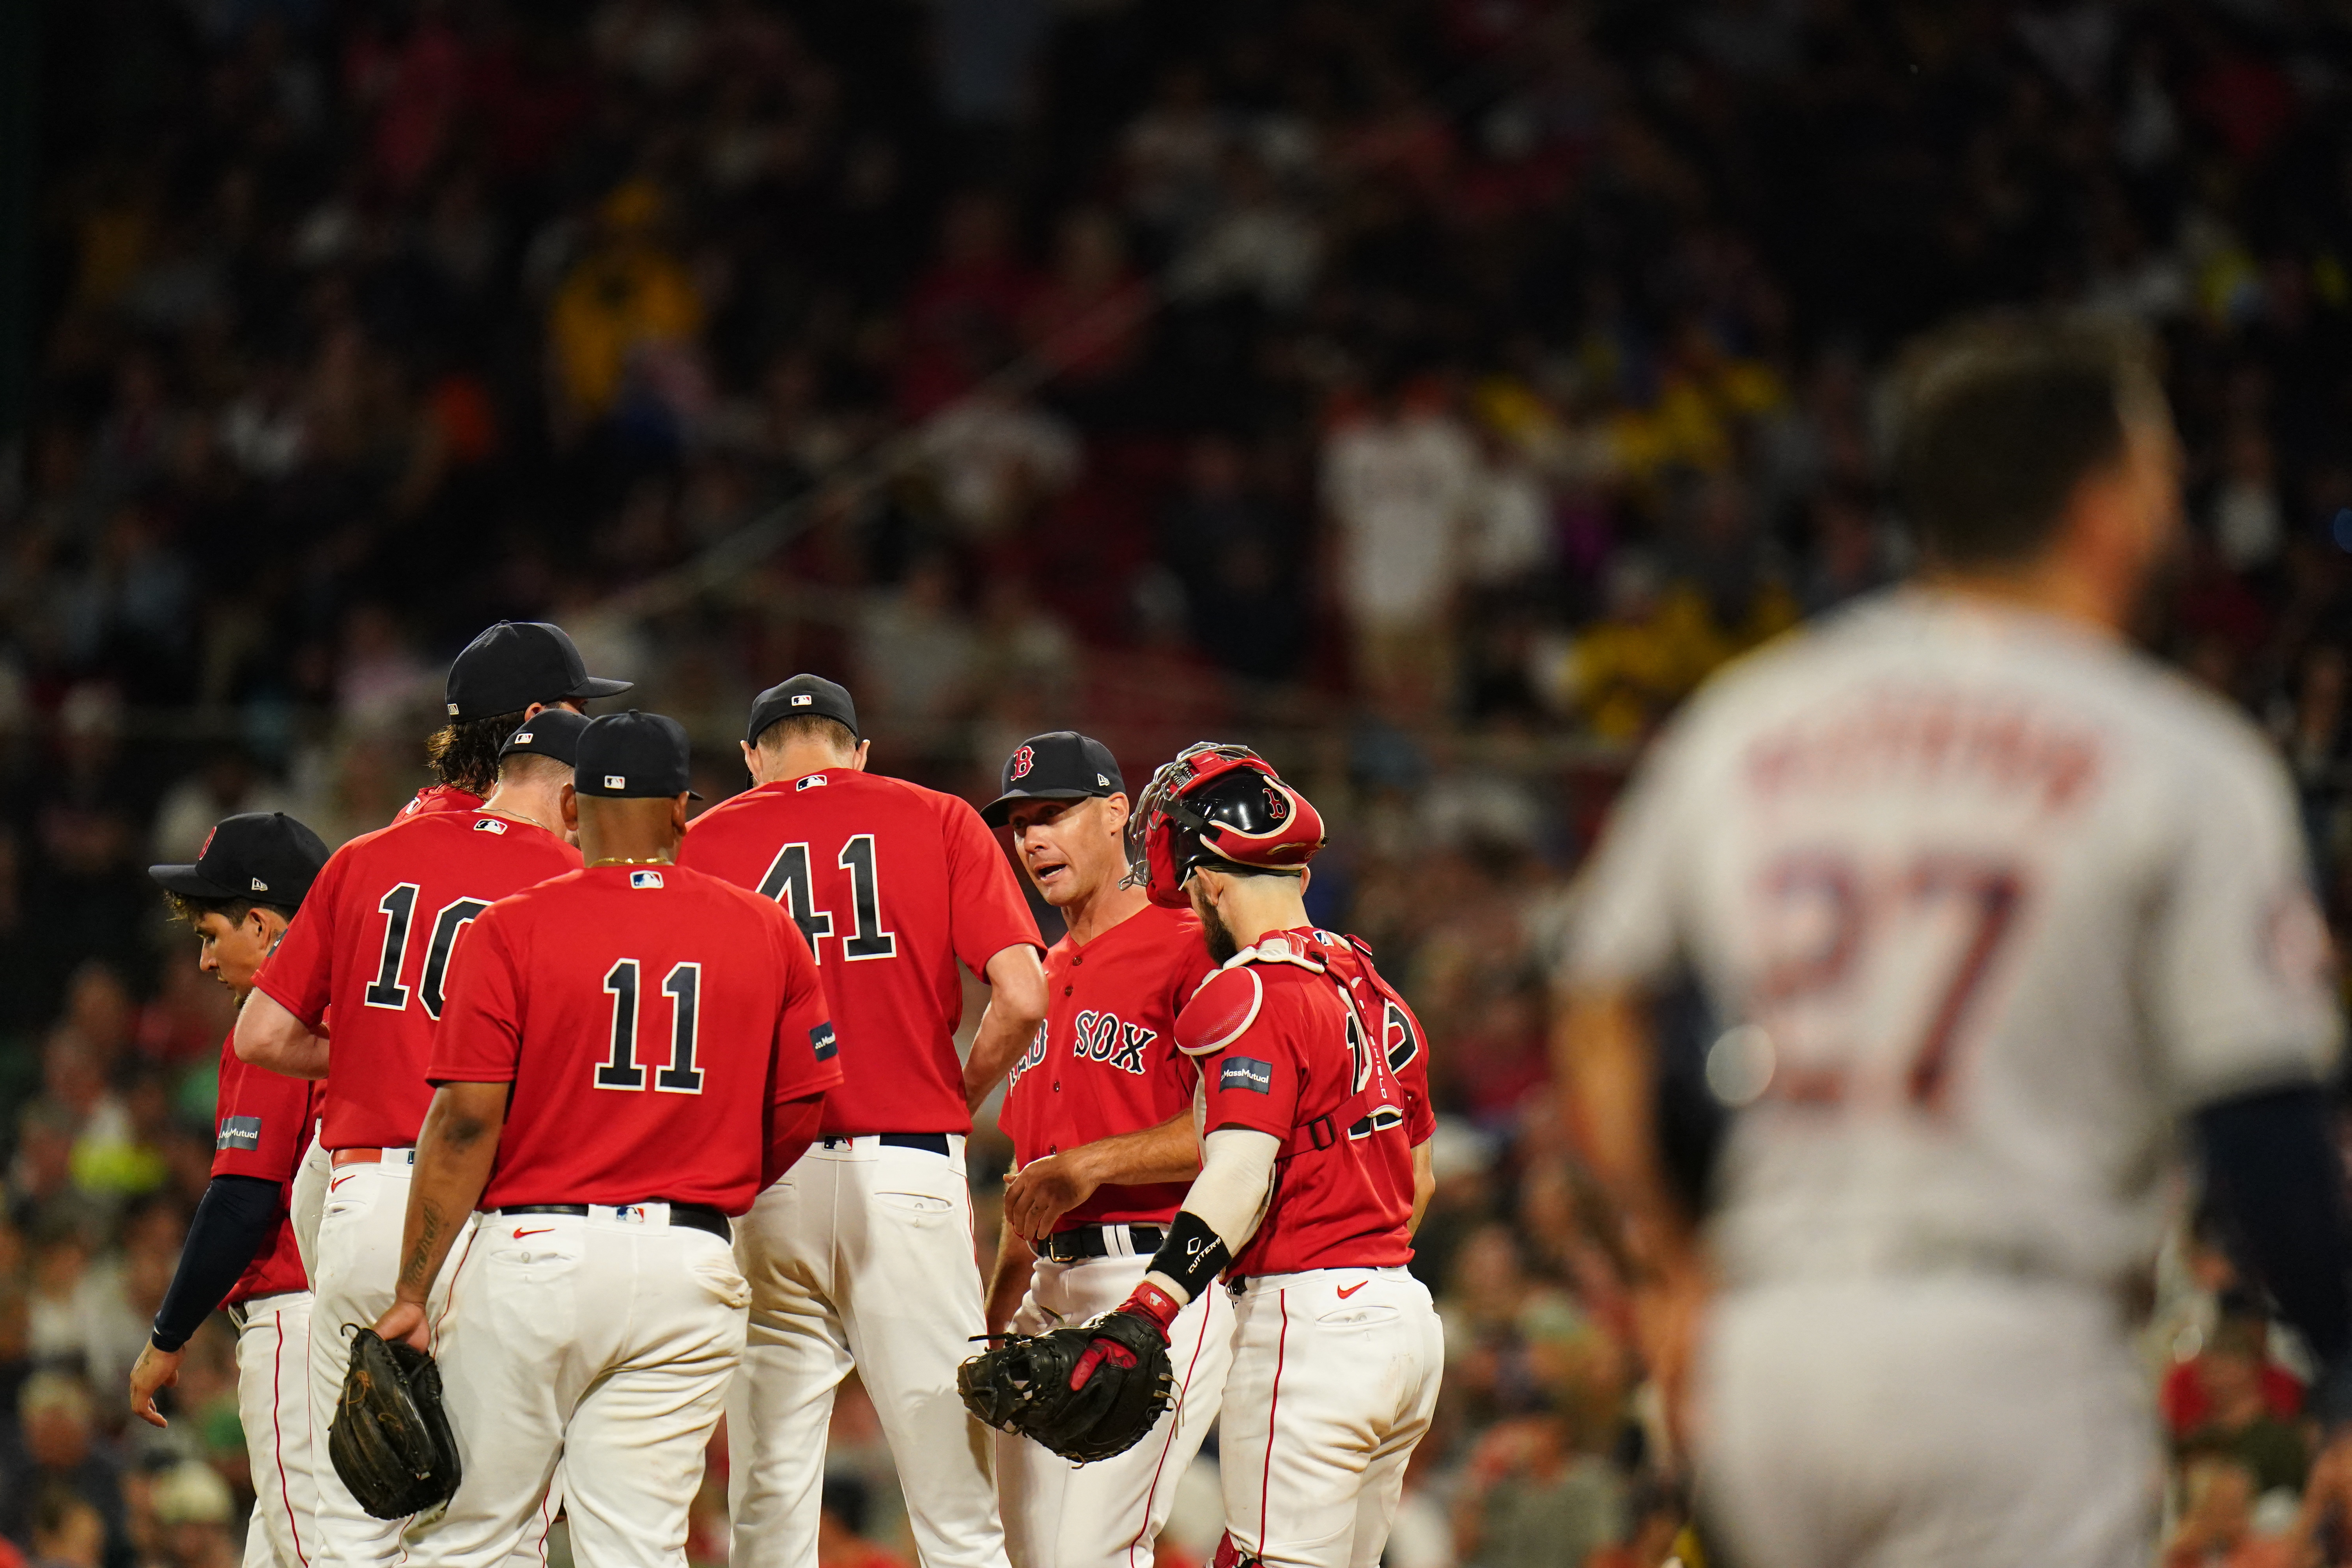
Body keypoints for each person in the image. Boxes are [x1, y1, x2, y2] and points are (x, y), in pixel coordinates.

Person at [1553, 314, 2350, 1568]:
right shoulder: (2184, 754)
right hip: (2010, 1347)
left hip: (1774, 1354)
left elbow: (1600, 999)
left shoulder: (1757, 713)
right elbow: (2262, 1126)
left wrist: (1675, 1261)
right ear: (2107, 505)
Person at [372, 711, 841, 1568]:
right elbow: (803, 1108)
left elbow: (467, 1118)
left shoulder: (510, 925)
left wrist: (413, 1287)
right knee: (636, 1548)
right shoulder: (765, 927)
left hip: (536, 1254)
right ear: (680, 813)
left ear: (575, 810)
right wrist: (720, 1174)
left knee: (474, 1537)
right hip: (687, 1264)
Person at [676, 674, 1047, 1568]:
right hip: (907, 1167)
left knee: (769, 1500)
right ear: (859, 749)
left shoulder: (704, 838)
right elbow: (1026, 994)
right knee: (956, 1505)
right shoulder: (938, 815)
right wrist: (955, 1093)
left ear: (752, 756)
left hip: (769, 1181)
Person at [234, 696, 595, 1568]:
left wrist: (365, 1057)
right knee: (487, 1527)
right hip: (487, 1216)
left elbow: (262, 1035)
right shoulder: (562, 881)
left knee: (347, 1513)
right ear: (577, 799)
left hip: (360, 1202)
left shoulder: (364, 857)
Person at [1071, 744, 1443, 1568]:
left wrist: (1149, 1308)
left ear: (1205, 880)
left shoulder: (1250, 988)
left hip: (1310, 1324)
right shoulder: (1376, 988)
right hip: (1406, 1322)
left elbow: (1239, 1172)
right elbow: (1420, 1178)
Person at [976, 731, 1231, 1568]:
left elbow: (1236, 1129)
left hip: (1160, 1276)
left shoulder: (1191, 940)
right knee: (1033, 1555)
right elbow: (1032, 1178)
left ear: (1119, 812)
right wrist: (997, 1314)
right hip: (1048, 1287)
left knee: (1097, 1551)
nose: (1034, 837)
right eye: (1020, 824)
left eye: (1054, 813)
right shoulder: (1039, 973)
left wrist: (1091, 1163)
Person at [128, 812, 331, 1568]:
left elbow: (241, 1203)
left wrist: (165, 1340)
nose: (207, 961)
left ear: (263, 922)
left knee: (320, 1552)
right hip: (360, 1311)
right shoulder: (371, 1011)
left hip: (298, 1323)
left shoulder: (278, 1022)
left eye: (212, 934)